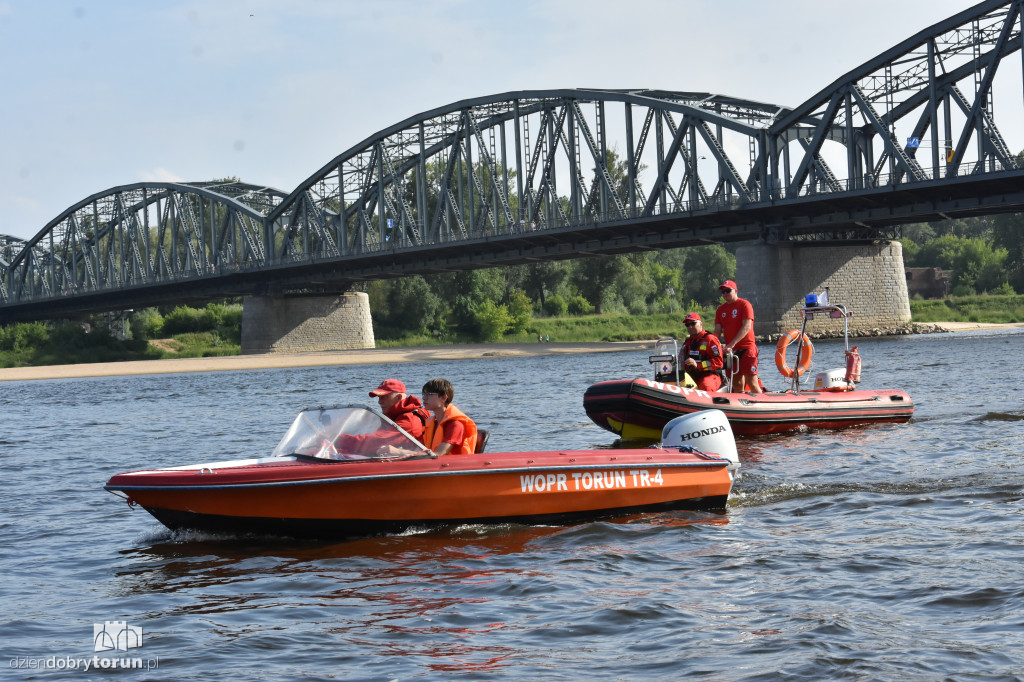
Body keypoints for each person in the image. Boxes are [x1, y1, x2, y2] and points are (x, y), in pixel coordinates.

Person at [714, 280, 763, 394]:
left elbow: (746, 327)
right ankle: (741, 409)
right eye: (723, 292)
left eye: (727, 291)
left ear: (735, 291)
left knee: (752, 382)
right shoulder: (720, 310)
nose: (725, 293)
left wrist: (731, 344)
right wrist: (712, 343)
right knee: (736, 384)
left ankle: (762, 406)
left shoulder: (744, 305)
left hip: (747, 348)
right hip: (732, 351)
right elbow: (717, 331)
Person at [421, 378, 478, 456]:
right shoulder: (433, 423)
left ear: (444, 398)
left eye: (429, 394)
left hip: (452, 467)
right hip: (435, 465)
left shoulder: (455, 425)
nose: (424, 398)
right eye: (423, 394)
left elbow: (438, 454)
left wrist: (403, 453)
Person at [680, 312, 724, 392]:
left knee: (705, 386)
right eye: (687, 325)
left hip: (709, 375)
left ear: (700, 324)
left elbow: (718, 362)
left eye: (693, 323)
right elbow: (680, 358)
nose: (690, 327)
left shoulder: (710, 339)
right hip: (691, 375)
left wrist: (698, 365)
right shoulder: (687, 342)